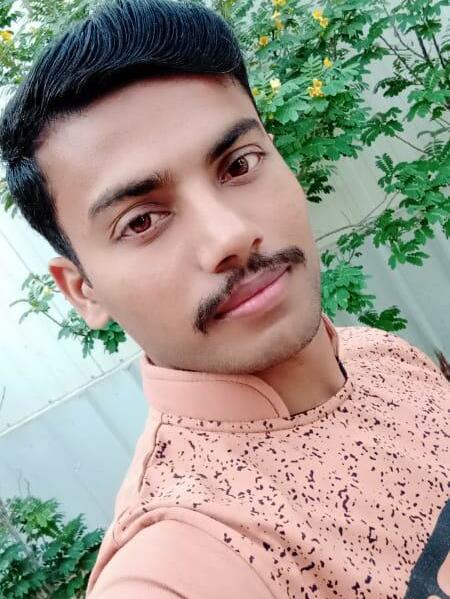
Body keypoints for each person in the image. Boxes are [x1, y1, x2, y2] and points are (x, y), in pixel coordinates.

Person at [1, 0, 448, 597]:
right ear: (85, 292)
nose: (229, 235)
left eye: (239, 165)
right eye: (141, 221)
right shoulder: (179, 561)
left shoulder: (380, 355)